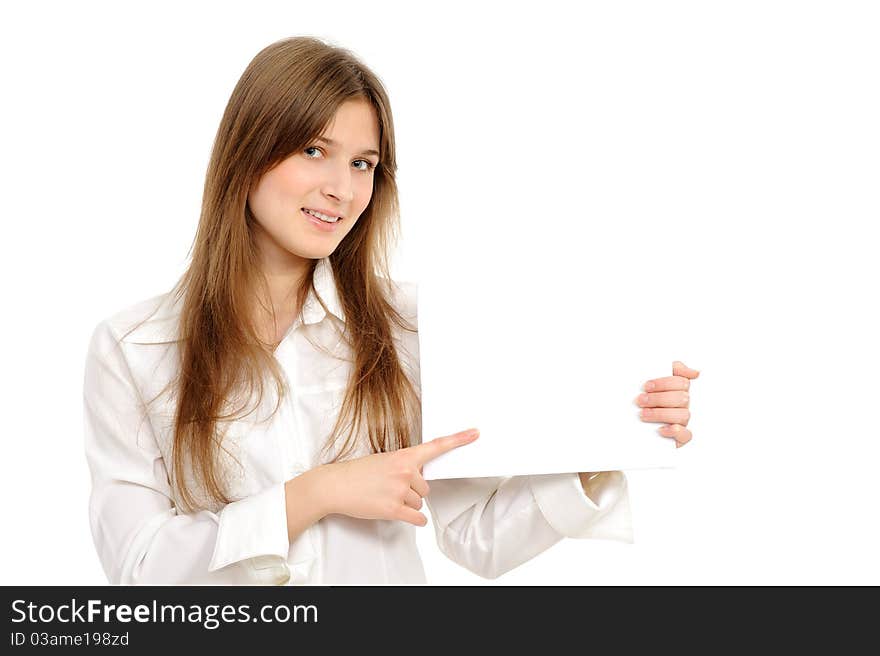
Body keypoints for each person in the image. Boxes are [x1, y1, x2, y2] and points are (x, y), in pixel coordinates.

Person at [82, 36, 700, 585]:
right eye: (313, 151)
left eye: (362, 164)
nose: (342, 189)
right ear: (246, 153)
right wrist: (314, 494)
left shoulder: (406, 326)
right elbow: (139, 570)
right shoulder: (136, 346)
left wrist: (605, 436)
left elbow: (475, 536)